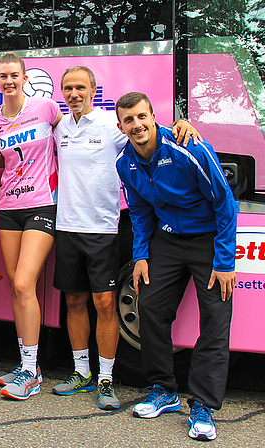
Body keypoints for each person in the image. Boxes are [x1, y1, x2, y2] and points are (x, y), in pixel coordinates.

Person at [50, 66, 200, 410]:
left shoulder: (110, 126)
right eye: (68, 88)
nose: (74, 94)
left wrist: (183, 125)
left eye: (80, 88)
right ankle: (80, 373)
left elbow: (148, 134)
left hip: (103, 229)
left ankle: (105, 379)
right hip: (67, 226)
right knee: (74, 302)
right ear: (63, 92)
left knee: (104, 304)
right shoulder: (60, 128)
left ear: (92, 90)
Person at [115, 92, 237, 441]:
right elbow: (139, 212)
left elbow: (225, 204)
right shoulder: (126, 163)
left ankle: (203, 406)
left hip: (208, 240)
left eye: (142, 116)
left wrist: (224, 261)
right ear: (121, 125)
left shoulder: (189, 148)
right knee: (150, 307)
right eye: (129, 120)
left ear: (154, 116)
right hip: (166, 241)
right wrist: (140, 256)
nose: (137, 125)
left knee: (215, 318)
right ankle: (164, 390)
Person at [0, 53, 61, 400]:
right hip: (8, 206)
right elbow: (4, 157)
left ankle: (31, 372)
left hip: (42, 204)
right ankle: (26, 363)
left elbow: (71, 134)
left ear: (24, 77)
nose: (9, 81)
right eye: (3, 76)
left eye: (14, 75)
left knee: (23, 282)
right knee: (17, 290)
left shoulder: (46, 107)